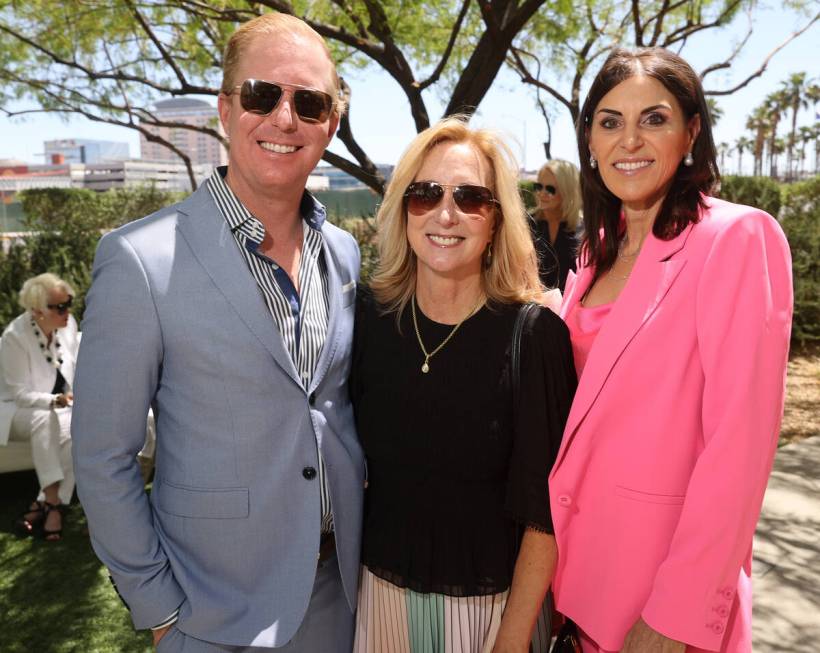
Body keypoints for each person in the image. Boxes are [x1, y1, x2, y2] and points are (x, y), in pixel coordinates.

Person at [71, 13, 363, 652]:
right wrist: (159, 607)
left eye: (309, 103)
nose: (285, 119)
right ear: (227, 110)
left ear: (330, 124)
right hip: (210, 616)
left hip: (340, 600)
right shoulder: (140, 261)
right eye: (264, 96)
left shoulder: (344, 254)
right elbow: (101, 456)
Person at [550, 47, 793, 653]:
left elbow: (739, 447)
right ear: (590, 140)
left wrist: (674, 616)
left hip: (659, 600)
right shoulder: (593, 253)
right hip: (573, 584)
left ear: (691, 132)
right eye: (609, 121)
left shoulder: (736, 237)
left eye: (653, 119)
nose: (629, 139)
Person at [350, 117, 577, 652]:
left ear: (497, 220)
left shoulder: (534, 336)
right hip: (377, 603)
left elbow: (546, 513)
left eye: (471, 198)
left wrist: (514, 637)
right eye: (425, 194)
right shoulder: (368, 318)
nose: (445, 214)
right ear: (403, 209)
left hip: (492, 615)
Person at [0, 273, 79, 541]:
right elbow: (18, 393)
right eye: (60, 307)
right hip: (13, 410)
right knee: (46, 419)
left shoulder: (67, 326)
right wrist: (55, 400)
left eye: (68, 302)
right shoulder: (14, 337)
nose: (67, 311)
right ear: (37, 311)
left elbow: (77, 369)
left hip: (56, 408)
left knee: (75, 429)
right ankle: (55, 504)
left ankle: (42, 503)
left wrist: (74, 396)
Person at [530, 159, 581, 292]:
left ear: (567, 191)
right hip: (533, 306)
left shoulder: (584, 230)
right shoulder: (526, 225)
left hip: (569, 308)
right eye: (538, 187)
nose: (542, 193)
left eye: (550, 189)